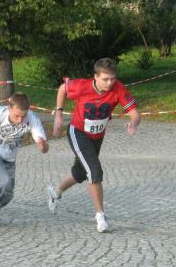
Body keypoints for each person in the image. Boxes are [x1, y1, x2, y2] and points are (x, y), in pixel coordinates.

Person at [46, 58, 141, 232]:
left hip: (97, 136)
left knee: (81, 173)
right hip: (78, 132)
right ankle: (100, 216)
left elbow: (135, 113)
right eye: (105, 79)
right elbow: (62, 89)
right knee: (94, 171)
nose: (110, 83)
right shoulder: (82, 86)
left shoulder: (118, 88)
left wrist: (134, 122)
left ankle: (56, 192)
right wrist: (58, 114)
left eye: (112, 78)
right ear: (95, 77)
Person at [0, 93, 49, 225]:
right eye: (16, 116)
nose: (20, 120)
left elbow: (44, 148)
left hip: (9, 155)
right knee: (3, 180)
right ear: (9, 108)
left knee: (8, 194)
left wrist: (42, 146)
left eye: (23, 116)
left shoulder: (32, 119)